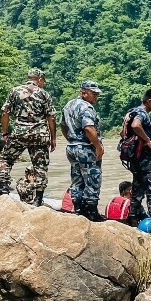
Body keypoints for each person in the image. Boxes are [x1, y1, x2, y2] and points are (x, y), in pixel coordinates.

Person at [0, 68, 57, 206]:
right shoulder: (44, 94)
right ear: (40, 79)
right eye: (43, 81)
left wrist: (5, 132)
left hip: (19, 133)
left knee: (6, 159)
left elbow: (5, 113)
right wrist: (53, 138)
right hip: (39, 135)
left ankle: (4, 188)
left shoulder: (14, 91)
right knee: (40, 166)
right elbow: (51, 117)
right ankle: (38, 199)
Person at [61, 80, 105, 221]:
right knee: (92, 178)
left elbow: (62, 125)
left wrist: (71, 140)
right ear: (84, 93)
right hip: (86, 148)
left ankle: (79, 210)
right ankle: (91, 213)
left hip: (72, 147)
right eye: (94, 94)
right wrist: (98, 146)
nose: (96, 97)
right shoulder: (86, 107)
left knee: (77, 179)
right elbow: (88, 128)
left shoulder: (69, 105)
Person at [125, 89, 151, 234]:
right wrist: (148, 141)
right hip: (146, 158)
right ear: (149, 101)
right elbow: (136, 125)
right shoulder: (142, 113)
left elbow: (123, 132)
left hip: (135, 158)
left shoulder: (131, 111)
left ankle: (133, 221)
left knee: (137, 190)